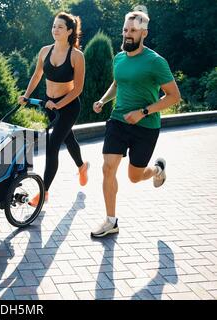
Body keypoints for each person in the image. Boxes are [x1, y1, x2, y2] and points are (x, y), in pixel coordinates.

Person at [90, 11, 181, 237]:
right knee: (108, 168)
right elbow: (117, 83)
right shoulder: (119, 58)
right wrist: (103, 100)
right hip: (118, 121)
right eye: (125, 30)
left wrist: (143, 112)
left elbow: (173, 96)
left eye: (132, 31)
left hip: (146, 126)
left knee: (134, 176)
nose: (127, 34)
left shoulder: (156, 62)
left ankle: (157, 170)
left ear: (144, 33)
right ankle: (111, 221)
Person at [18, 12, 90, 207]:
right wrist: (26, 95)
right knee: (68, 138)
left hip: (68, 107)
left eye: (60, 27)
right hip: (50, 106)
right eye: (54, 26)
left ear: (69, 31)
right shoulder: (44, 51)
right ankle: (82, 166)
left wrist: (59, 104)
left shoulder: (76, 56)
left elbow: (78, 88)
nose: (55, 29)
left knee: (52, 145)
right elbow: (36, 75)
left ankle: (44, 192)